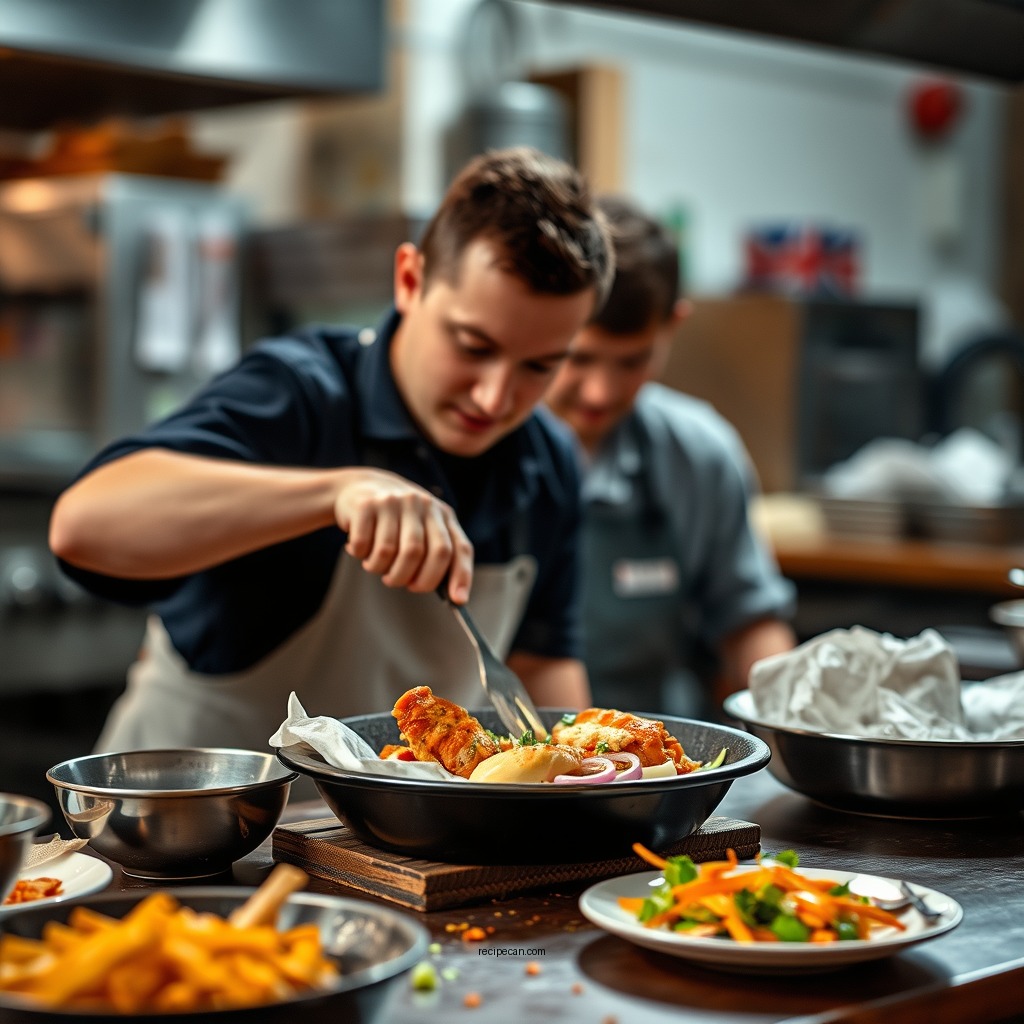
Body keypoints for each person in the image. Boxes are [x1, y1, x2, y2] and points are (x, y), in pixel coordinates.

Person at [49, 146, 614, 756]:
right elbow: (84, 524)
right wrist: (339, 491)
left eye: (540, 366)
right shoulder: (299, 392)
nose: (495, 397)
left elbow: (542, 665)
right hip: (196, 802)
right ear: (410, 280)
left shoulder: (547, 461)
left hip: (391, 818)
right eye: (472, 346)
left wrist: (578, 777)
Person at [544, 195, 796, 720]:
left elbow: (748, 621)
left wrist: (793, 721)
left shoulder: (698, 454)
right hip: (493, 754)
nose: (599, 391)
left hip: (654, 751)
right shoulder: (485, 446)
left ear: (672, 326)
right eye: (578, 358)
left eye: (631, 361)